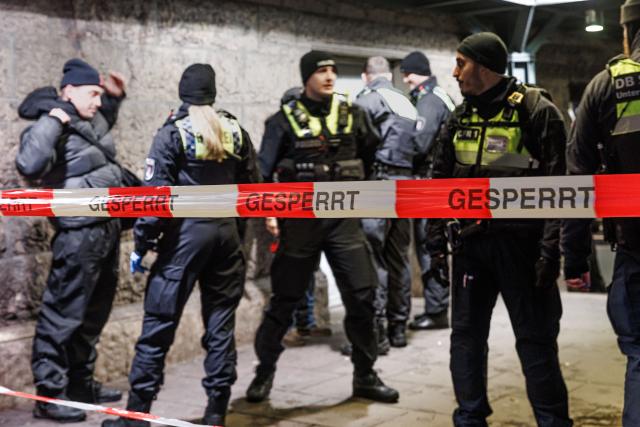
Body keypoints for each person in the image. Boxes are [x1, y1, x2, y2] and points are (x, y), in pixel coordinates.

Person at [101, 64, 260, 427]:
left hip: (184, 241)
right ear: (213, 92)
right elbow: (254, 190)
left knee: (158, 325)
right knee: (220, 326)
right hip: (227, 236)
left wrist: (142, 244)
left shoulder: (172, 133)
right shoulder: (235, 129)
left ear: (182, 92)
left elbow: (154, 201)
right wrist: (236, 232)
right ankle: (216, 411)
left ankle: (136, 416)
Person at [427, 33, 572, 426]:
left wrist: (550, 251)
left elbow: (561, 188)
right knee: (466, 340)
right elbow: (438, 181)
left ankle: (553, 422)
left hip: (522, 249)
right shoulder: (459, 116)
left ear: (485, 66)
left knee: (535, 342)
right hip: (471, 247)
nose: (454, 73)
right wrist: (436, 243)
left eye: (461, 63)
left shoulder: (536, 111)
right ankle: (470, 419)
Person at [246, 50, 399, 404]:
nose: (330, 76)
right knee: (284, 300)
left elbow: (373, 155)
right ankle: (264, 373)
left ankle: (365, 374)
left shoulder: (354, 115)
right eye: (321, 71)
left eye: (332, 70)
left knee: (362, 296)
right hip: (301, 223)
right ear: (306, 78)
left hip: (344, 222)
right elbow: (262, 173)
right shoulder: (281, 122)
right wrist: (272, 212)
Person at [15, 58, 126, 423]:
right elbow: (29, 164)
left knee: (93, 313)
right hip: (78, 232)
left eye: (98, 93)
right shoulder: (52, 121)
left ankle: (80, 384)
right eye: (92, 93)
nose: (97, 100)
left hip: (107, 227)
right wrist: (54, 119)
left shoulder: (90, 118)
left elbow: (96, 143)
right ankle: (49, 394)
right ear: (69, 91)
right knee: (63, 314)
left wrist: (114, 98)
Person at [562, 1, 640, 423]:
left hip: (636, 248)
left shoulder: (606, 86)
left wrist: (575, 260)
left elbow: (578, 183)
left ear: (627, 33)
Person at [355, 56, 420, 349]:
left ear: (366, 76)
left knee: (373, 258)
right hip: (405, 184)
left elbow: (357, 141)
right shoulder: (406, 101)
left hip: (378, 184)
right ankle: (398, 328)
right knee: (399, 258)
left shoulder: (368, 100)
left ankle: (376, 331)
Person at [262, 87, 332, 348]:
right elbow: (268, 176)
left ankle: (302, 324)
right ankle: (298, 324)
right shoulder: (286, 133)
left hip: (305, 214)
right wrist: (271, 213)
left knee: (303, 270)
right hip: (293, 211)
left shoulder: (307, 137)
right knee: (299, 272)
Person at [400, 51, 455, 331]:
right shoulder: (436, 96)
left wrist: (396, 156)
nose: (406, 79)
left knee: (429, 246)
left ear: (415, 72)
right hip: (437, 182)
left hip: (429, 184)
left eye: (407, 73)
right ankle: (437, 307)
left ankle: (436, 310)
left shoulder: (430, 100)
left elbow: (420, 143)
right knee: (431, 246)